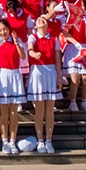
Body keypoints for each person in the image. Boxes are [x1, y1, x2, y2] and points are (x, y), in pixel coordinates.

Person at [0, 19, 27, 155]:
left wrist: (16, 42)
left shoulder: (16, 42)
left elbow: (22, 56)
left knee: (14, 113)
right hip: (3, 76)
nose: (3, 32)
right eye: (0, 30)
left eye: (5, 29)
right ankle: (4, 141)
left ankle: (12, 141)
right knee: (4, 113)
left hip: (15, 74)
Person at [27, 15, 62, 154]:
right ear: (35, 26)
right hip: (38, 72)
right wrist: (33, 53)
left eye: (43, 20)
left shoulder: (54, 39)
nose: (41, 21)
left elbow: (58, 59)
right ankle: (40, 140)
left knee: (50, 110)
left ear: (47, 24)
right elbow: (29, 49)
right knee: (40, 110)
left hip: (51, 72)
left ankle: (49, 140)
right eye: (38, 20)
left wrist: (59, 76)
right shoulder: (33, 37)